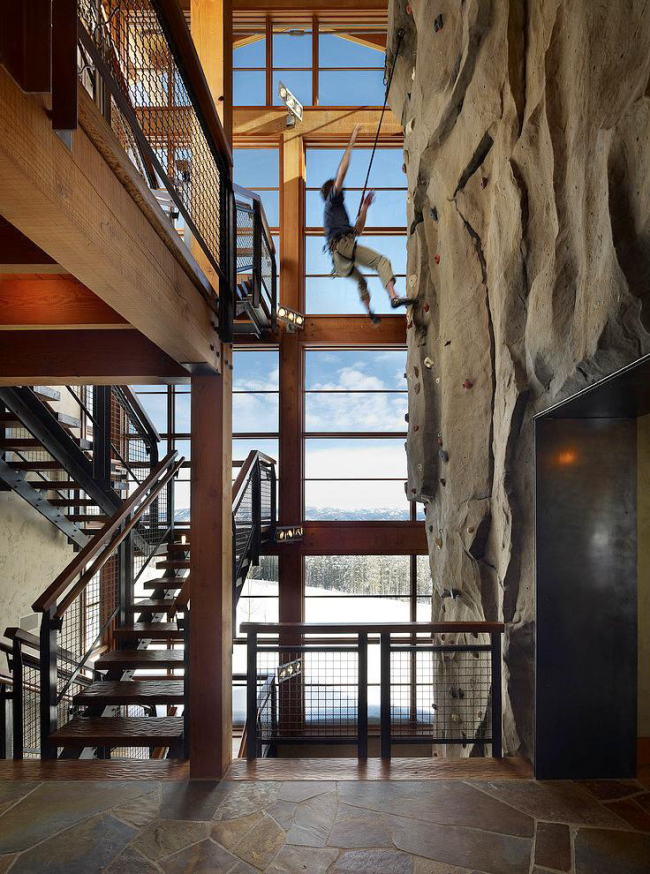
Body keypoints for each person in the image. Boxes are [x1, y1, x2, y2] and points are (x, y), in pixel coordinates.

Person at [322, 125, 410, 324]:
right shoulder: (332, 201)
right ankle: (394, 297)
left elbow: (358, 230)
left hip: (340, 260)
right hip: (343, 248)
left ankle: (370, 312)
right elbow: (341, 173)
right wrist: (352, 142)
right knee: (382, 262)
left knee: (361, 281)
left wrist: (365, 208)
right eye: (338, 186)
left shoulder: (335, 215)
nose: (341, 188)